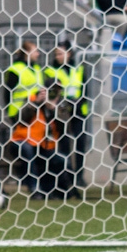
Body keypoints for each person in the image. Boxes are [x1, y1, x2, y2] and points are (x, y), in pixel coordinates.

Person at [44, 40, 91, 189]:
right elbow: (52, 92)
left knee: (80, 142)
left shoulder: (79, 69)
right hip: (62, 109)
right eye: (56, 54)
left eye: (61, 53)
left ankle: (79, 176)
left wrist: (78, 102)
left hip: (79, 108)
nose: (58, 56)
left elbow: (86, 89)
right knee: (64, 143)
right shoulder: (51, 70)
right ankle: (68, 175)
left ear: (69, 53)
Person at [4, 41, 43, 122]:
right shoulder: (15, 69)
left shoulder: (37, 68)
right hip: (19, 112)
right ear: (27, 52)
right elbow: (7, 93)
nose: (38, 54)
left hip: (35, 110)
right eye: (35, 51)